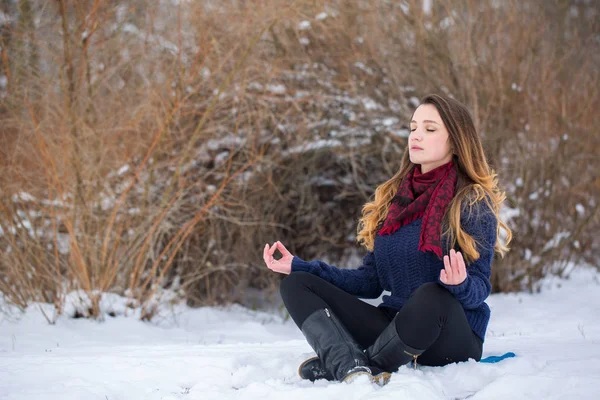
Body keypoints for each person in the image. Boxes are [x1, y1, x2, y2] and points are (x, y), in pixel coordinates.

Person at [262, 93, 512, 385]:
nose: (416, 136)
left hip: (451, 337)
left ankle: (364, 363)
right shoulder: (395, 200)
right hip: (395, 328)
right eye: (413, 128)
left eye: (429, 129)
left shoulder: (470, 201)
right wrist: (301, 267)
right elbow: (369, 281)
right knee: (296, 283)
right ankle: (349, 366)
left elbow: (480, 288)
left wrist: (461, 285)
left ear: (455, 142)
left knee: (432, 295)